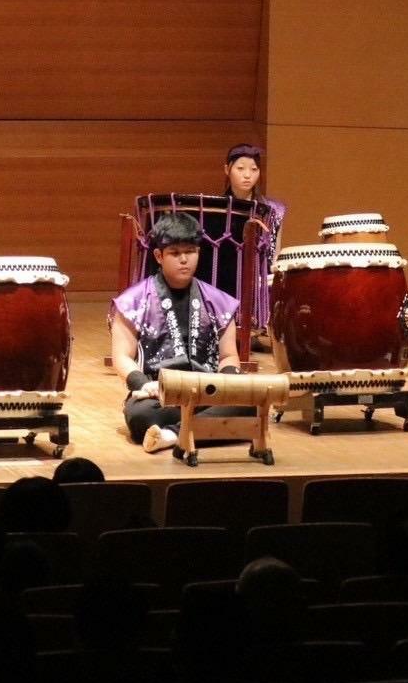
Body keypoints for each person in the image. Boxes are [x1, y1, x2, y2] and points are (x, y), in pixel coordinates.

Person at [110, 211, 247, 453]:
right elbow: (121, 356)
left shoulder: (219, 301)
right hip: (159, 394)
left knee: (251, 403)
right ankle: (199, 430)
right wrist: (143, 385)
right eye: (175, 253)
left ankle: (172, 434)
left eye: (190, 252)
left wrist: (227, 383)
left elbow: (228, 356)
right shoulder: (133, 301)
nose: (184, 259)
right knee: (139, 416)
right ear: (159, 256)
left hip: (207, 391)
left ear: (198, 253)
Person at [220, 143, 286, 344]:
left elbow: (276, 250)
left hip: (259, 273)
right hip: (226, 272)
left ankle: (256, 329)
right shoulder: (217, 207)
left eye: (254, 169)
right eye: (240, 168)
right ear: (227, 169)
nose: (247, 175)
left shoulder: (273, 209)